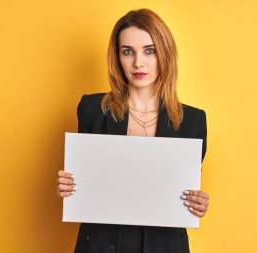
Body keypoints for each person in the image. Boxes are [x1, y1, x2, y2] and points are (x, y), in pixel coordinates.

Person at [56, 8, 210, 253]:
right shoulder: (92, 110)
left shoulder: (192, 121)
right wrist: (69, 186)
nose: (138, 62)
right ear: (117, 57)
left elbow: (184, 191)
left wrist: (197, 203)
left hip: (165, 246)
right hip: (99, 245)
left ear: (165, 54)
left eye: (149, 51)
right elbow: (86, 183)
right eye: (128, 51)